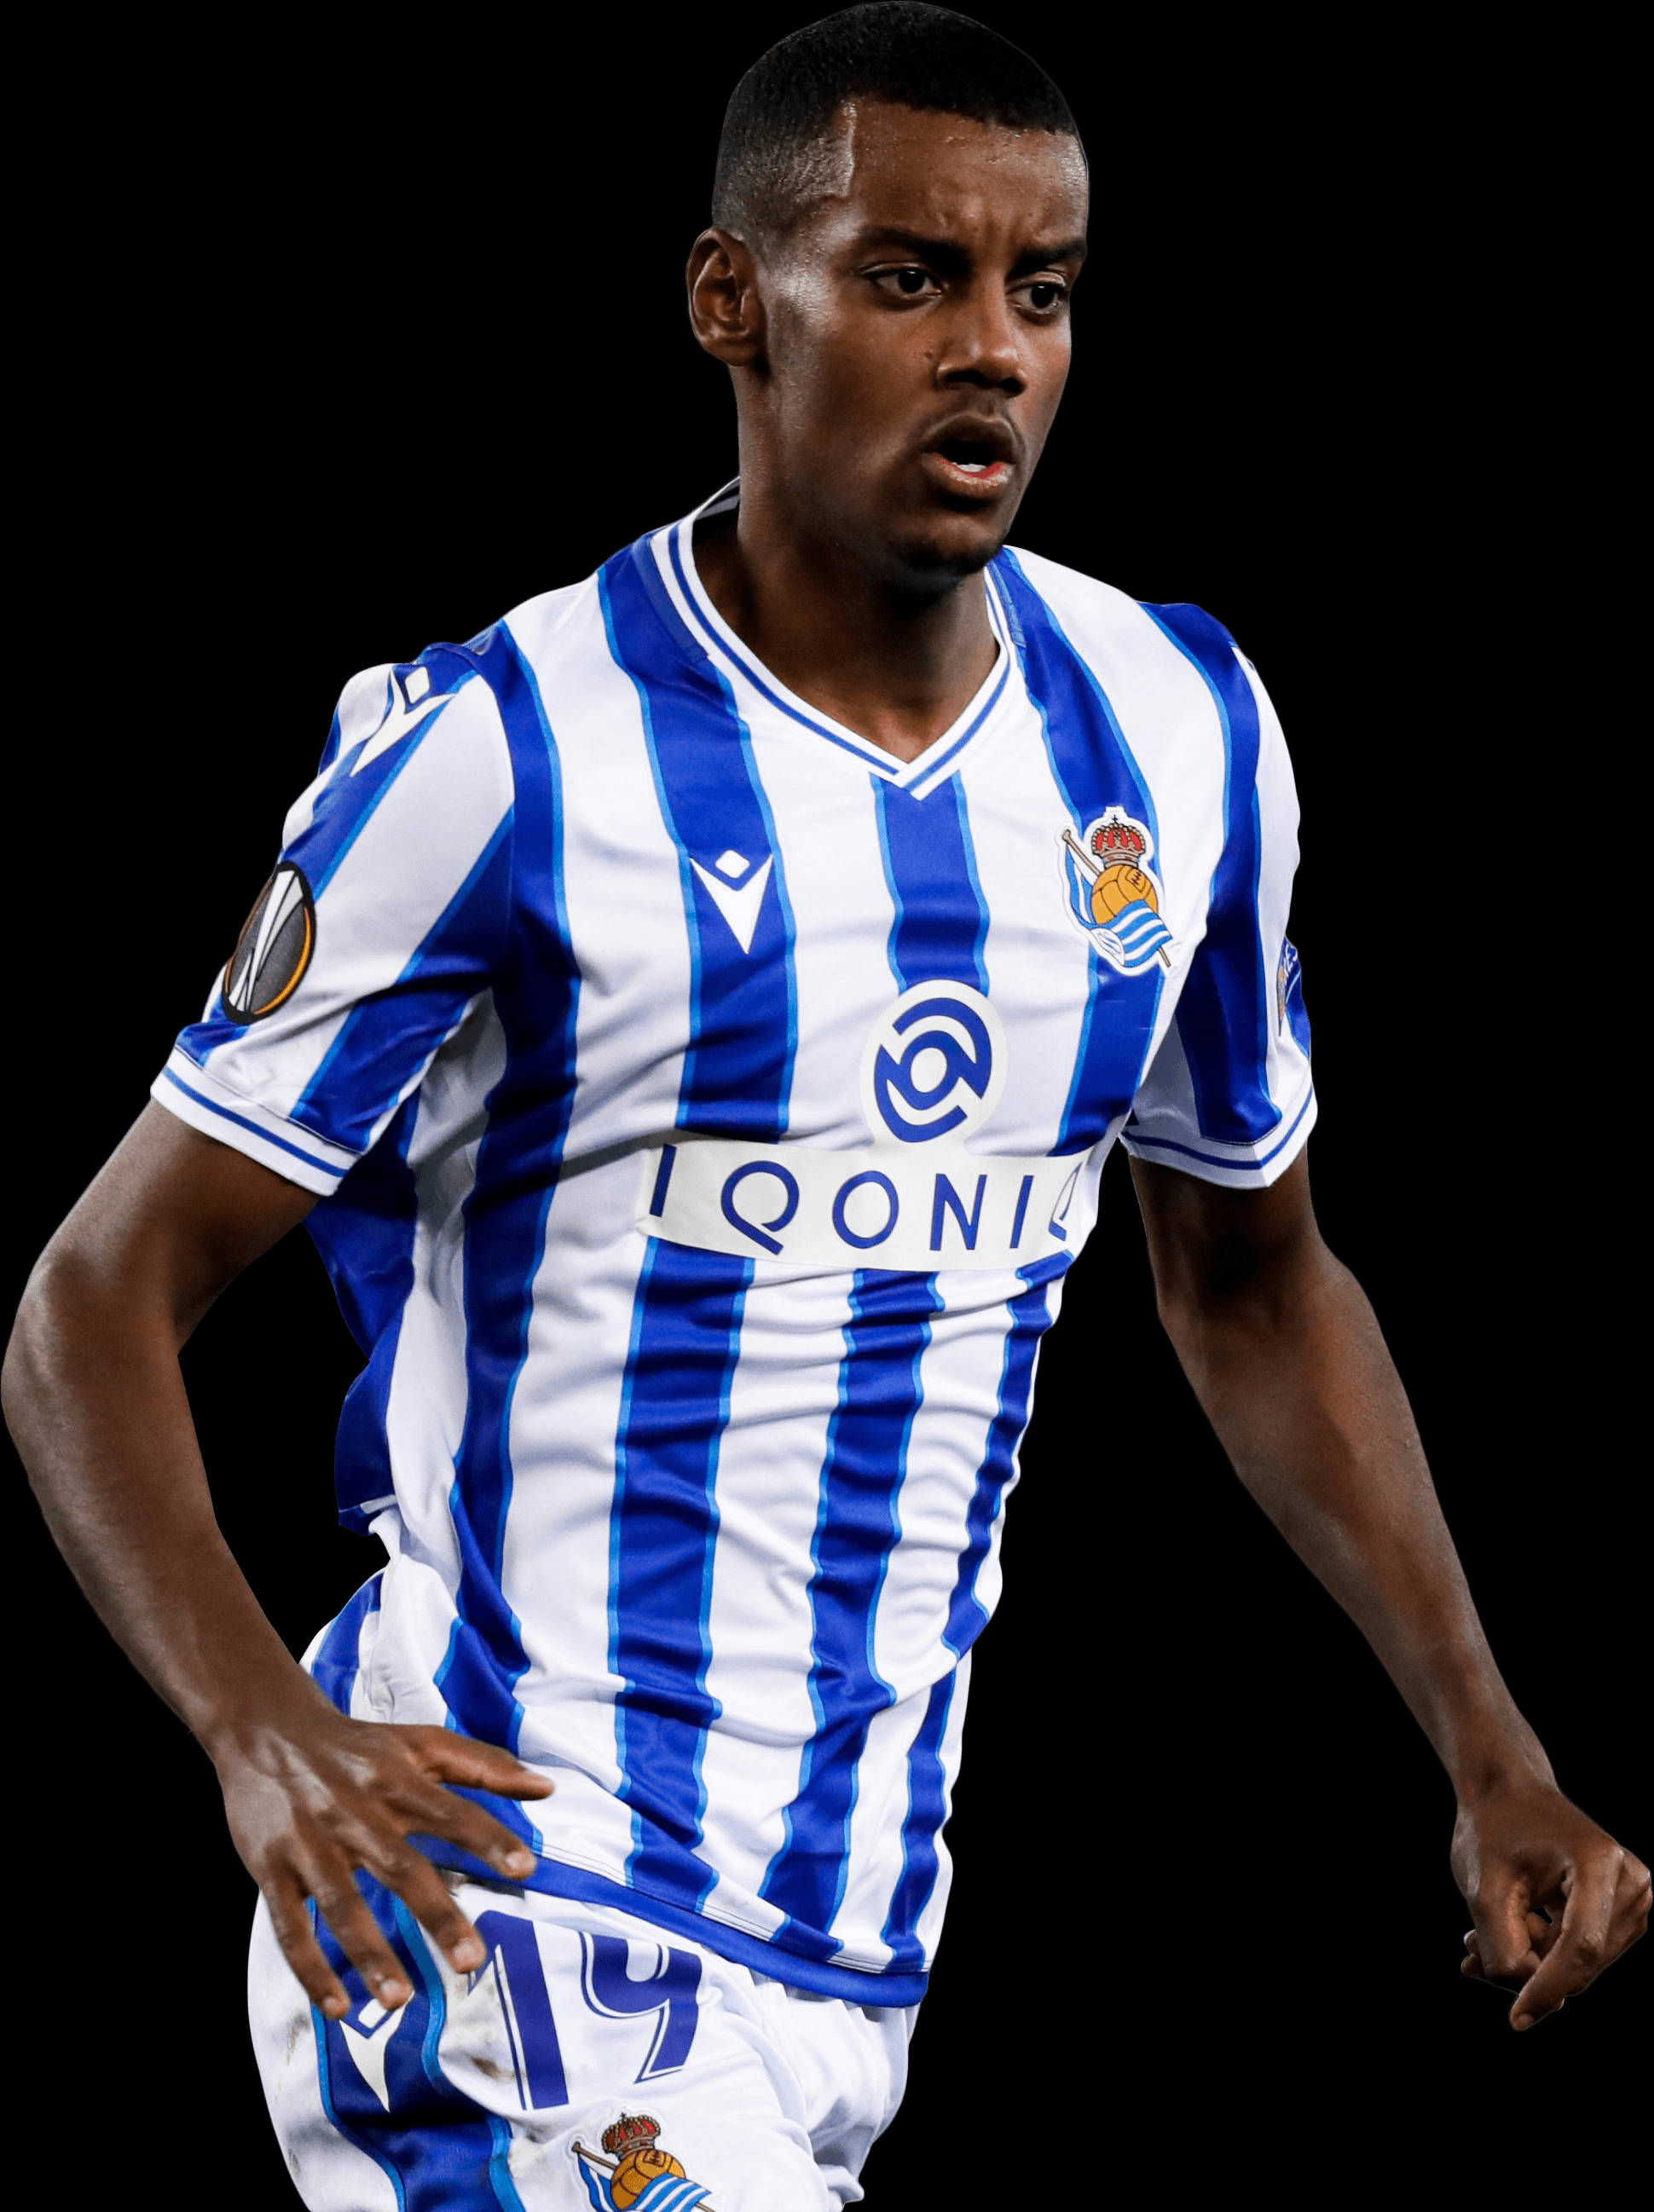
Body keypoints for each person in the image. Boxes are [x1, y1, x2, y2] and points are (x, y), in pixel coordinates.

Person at [5, 5, 1645, 2206]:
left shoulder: (1173, 734)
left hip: (853, 1951)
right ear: (730, 301)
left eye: (1040, 292)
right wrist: (259, 1732)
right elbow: (90, 1305)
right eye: (906, 277)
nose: (990, 354)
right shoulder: (510, 755)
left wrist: (1488, 1748)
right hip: (509, 1913)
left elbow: (1253, 1282)